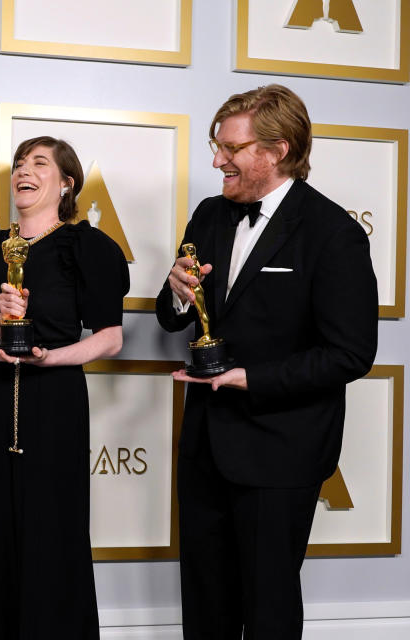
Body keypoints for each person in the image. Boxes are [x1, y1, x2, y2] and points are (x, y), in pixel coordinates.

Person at [155, 85, 378, 640]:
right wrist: (179, 292)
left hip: (282, 449)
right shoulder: (208, 216)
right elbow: (172, 316)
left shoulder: (334, 234)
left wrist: (249, 378)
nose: (215, 160)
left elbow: (351, 353)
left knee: (269, 606)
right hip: (205, 443)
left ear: (276, 150)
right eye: (216, 145)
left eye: (230, 148)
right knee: (204, 601)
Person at [0, 136, 129, 639]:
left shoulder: (87, 247)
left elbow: (110, 339)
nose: (24, 172)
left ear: (66, 183)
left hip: (54, 404)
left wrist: (51, 357)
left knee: (54, 537)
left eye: (39, 163)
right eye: (19, 164)